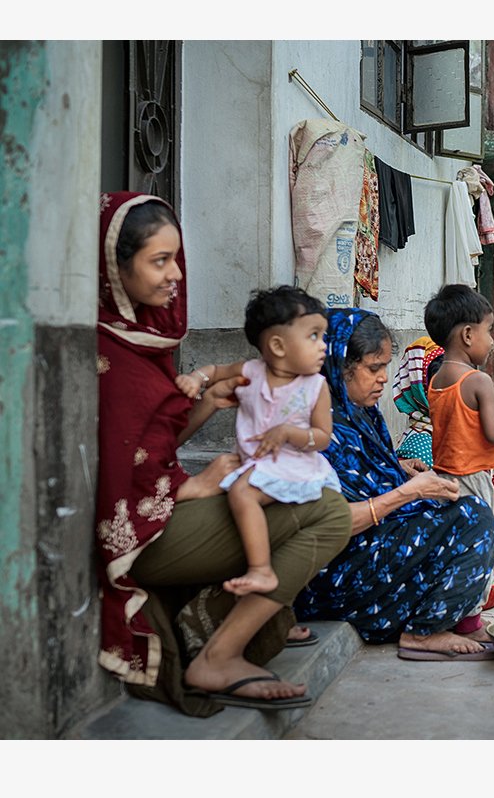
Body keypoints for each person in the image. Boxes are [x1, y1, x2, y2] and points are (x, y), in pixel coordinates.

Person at [93, 192, 351, 713]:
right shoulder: (106, 353)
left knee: (322, 503)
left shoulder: (143, 340)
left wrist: (207, 404)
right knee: (328, 514)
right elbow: (111, 470)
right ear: (114, 267)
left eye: (176, 259)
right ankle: (221, 656)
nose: (175, 276)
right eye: (159, 261)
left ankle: (238, 636)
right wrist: (191, 485)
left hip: (161, 512)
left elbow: (148, 446)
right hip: (139, 536)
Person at [296, 308, 494, 659]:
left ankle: (445, 619)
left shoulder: (361, 416)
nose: (383, 379)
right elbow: (332, 523)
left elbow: (369, 480)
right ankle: (424, 631)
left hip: (370, 547)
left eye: (385, 367)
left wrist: (398, 470)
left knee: (465, 511)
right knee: (473, 515)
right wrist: (409, 490)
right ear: (338, 366)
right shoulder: (319, 430)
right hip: (338, 574)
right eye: (373, 368)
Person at [174, 286, 340, 597]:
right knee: (230, 498)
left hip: (292, 462)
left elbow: (322, 438)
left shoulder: (315, 387)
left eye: (323, 336)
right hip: (255, 461)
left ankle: (261, 570)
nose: (324, 347)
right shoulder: (251, 372)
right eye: (314, 336)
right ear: (277, 345)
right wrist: (196, 378)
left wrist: (290, 433)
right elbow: (216, 371)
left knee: (241, 492)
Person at [424, 285, 494, 510]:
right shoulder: (478, 380)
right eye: (488, 331)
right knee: (478, 536)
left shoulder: (436, 380)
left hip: (443, 479)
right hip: (472, 480)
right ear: (468, 335)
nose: (492, 342)